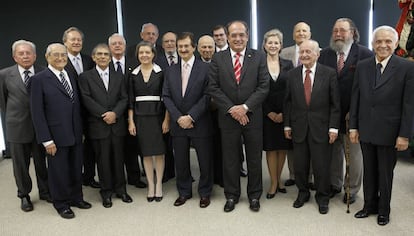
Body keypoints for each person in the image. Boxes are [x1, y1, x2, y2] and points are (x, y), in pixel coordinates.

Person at [350, 25, 414, 226]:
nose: (383, 45)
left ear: (395, 44)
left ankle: (384, 210)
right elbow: (356, 97)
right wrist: (353, 127)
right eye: (379, 41)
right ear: (372, 44)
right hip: (366, 128)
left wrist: (404, 135)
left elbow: (409, 104)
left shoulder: (407, 67)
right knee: (369, 170)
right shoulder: (363, 65)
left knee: (385, 174)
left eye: (388, 41)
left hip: (390, 131)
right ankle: (369, 205)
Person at [208, 20, 269, 212]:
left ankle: (254, 195)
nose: (237, 38)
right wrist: (234, 110)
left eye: (241, 34)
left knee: (253, 158)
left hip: (253, 117)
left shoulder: (258, 57)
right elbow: (213, 88)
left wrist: (244, 107)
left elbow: (263, 86)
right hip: (228, 118)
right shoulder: (218, 59)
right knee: (230, 158)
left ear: (247, 36)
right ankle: (232, 195)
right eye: (233, 35)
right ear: (227, 36)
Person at [30, 43, 92, 219]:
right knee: (59, 171)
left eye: (63, 55)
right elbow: (37, 113)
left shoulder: (70, 75)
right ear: (47, 57)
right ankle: (61, 203)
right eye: (56, 55)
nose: (60, 58)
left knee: (75, 167)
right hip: (55, 136)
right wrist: (46, 139)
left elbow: (76, 105)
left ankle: (76, 198)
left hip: (75, 132)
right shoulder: (39, 79)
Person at [318, 18, 373, 204]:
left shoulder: (365, 54)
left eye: (342, 30)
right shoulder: (325, 54)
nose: (338, 34)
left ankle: (352, 189)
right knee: (333, 153)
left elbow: (368, 88)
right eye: (335, 31)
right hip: (330, 115)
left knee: (354, 155)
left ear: (353, 33)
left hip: (353, 116)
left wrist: (355, 111)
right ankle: (335, 184)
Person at [284, 39, 340, 214]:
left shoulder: (329, 73)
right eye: (302, 52)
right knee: (300, 165)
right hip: (299, 127)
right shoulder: (292, 74)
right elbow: (287, 102)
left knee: (321, 165)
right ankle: (302, 193)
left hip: (322, 128)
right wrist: (287, 125)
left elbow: (335, 104)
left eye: (309, 52)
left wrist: (333, 128)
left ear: (317, 54)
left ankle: (322, 197)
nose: (305, 55)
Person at [163, 32, 213, 208]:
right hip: (178, 124)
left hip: (200, 121)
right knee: (181, 161)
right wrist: (178, 118)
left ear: (194, 48)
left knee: (205, 160)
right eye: (180, 46)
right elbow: (166, 96)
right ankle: (184, 191)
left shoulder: (206, 68)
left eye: (186, 46)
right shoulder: (170, 70)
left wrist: (191, 116)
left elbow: (208, 96)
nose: (183, 49)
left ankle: (205, 192)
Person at [78, 44, 132, 208]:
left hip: (117, 124)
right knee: (103, 161)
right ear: (93, 57)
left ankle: (121, 190)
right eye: (99, 54)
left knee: (118, 158)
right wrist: (104, 114)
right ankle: (106, 192)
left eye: (105, 54)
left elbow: (124, 98)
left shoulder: (119, 76)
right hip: (98, 125)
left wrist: (114, 114)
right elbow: (86, 99)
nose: (102, 57)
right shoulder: (85, 77)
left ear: (110, 58)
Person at [0, 40, 50, 212]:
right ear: (14, 56)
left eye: (28, 53)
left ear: (35, 56)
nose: (25, 56)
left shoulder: (44, 72)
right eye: (21, 53)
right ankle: (24, 195)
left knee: (42, 163)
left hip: (40, 127)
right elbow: (3, 102)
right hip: (17, 127)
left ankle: (45, 191)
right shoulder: (4, 75)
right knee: (20, 166)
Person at [128, 41, 169, 202]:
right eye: (141, 53)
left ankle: (159, 184)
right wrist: (131, 122)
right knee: (145, 152)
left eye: (147, 52)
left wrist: (167, 120)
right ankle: (150, 185)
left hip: (158, 116)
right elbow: (130, 100)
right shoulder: (133, 74)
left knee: (159, 152)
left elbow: (166, 98)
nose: (144, 55)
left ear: (153, 54)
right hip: (140, 117)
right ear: (137, 55)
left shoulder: (161, 72)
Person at [108, 33, 147, 189]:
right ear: (109, 47)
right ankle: (114, 179)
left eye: (120, 43)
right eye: (114, 44)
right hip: (111, 112)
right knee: (113, 148)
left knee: (132, 146)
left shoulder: (134, 63)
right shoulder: (103, 63)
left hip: (132, 111)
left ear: (125, 46)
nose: (117, 46)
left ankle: (134, 177)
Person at [62, 26, 99, 189]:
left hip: (89, 111)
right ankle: (72, 180)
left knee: (90, 146)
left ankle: (89, 177)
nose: (76, 42)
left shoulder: (89, 60)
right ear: (65, 42)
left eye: (79, 40)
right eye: (73, 39)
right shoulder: (60, 60)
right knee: (72, 148)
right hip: (68, 112)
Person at [280, 21, 314, 189]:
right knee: (293, 144)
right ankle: (294, 174)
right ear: (293, 35)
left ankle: (311, 177)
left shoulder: (318, 52)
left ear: (310, 33)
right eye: (298, 31)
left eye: (304, 31)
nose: (301, 33)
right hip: (292, 104)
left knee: (312, 144)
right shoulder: (284, 52)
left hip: (312, 106)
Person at [261, 29, 293, 199]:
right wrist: (269, 112)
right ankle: (273, 183)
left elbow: (292, 91)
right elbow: (257, 89)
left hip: (284, 112)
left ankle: (280, 179)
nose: (273, 45)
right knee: (271, 149)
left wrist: (283, 113)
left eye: (276, 43)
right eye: (270, 42)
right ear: (265, 45)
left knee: (283, 148)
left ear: (281, 46)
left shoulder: (288, 64)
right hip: (266, 113)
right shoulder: (258, 63)